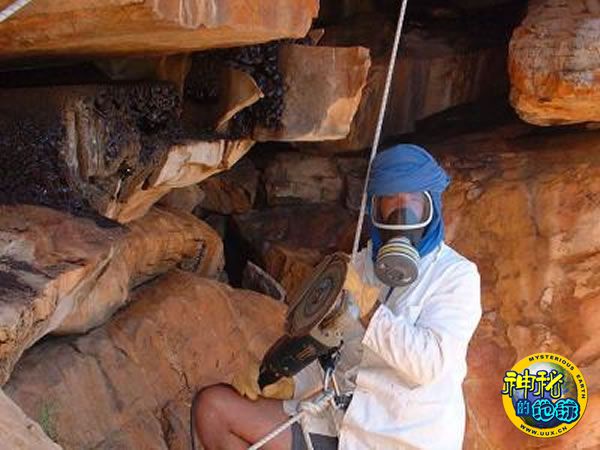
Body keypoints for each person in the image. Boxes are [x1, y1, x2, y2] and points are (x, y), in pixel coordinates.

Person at [193, 144, 482, 449]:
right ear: (375, 209)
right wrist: (290, 381)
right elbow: (329, 342)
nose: (401, 214)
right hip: (342, 425)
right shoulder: (359, 265)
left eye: (413, 202)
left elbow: (430, 364)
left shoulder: (456, 276)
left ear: (432, 207)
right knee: (212, 409)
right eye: (391, 202)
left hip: (405, 439)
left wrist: (370, 312)